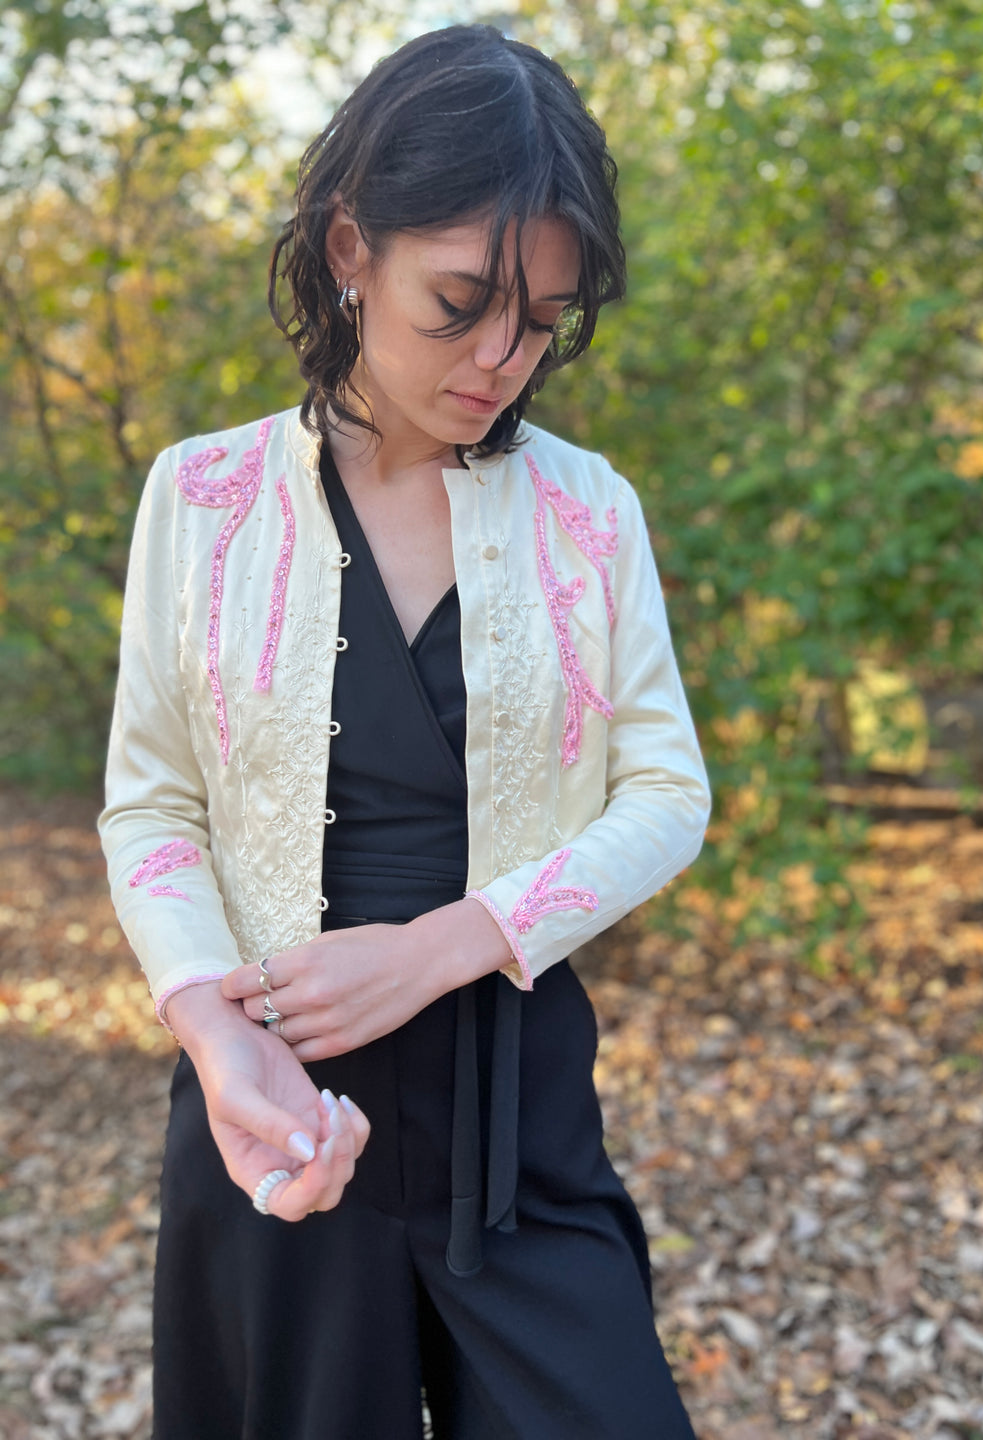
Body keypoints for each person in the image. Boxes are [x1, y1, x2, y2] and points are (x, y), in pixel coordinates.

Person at [98, 22, 710, 1440]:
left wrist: (444, 947)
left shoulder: (587, 511)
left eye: (543, 316)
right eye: (462, 302)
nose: (503, 358)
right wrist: (208, 1028)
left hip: (521, 1112)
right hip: (275, 1109)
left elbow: (668, 793)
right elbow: (150, 805)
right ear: (349, 248)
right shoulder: (202, 501)